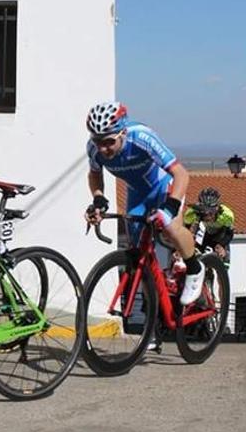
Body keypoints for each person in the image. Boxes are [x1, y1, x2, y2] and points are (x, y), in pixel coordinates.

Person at [84, 101, 205, 305]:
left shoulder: (142, 137)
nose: (103, 149)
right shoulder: (93, 149)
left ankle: (194, 268)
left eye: (109, 142)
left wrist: (170, 207)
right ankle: (153, 325)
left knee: (170, 228)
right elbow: (95, 175)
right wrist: (98, 199)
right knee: (139, 258)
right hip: (138, 193)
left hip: (164, 185)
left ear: (122, 133)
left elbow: (181, 174)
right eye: (98, 142)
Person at [184, 187, 235, 263]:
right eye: (204, 211)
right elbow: (186, 230)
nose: (208, 216)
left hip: (221, 235)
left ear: (217, 208)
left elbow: (229, 233)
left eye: (212, 212)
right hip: (205, 234)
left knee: (224, 261)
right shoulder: (191, 213)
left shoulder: (227, 215)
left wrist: (221, 245)